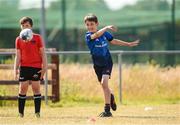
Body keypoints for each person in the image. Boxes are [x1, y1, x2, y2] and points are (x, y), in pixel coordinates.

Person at [84, 13, 139, 117]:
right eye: (87, 24)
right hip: (97, 64)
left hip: (107, 62)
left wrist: (127, 44)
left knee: (104, 83)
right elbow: (96, 35)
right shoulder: (88, 36)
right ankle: (111, 96)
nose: (90, 26)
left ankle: (107, 110)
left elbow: (113, 41)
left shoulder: (104, 34)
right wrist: (106, 27)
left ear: (97, 24)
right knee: (104, 86)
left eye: (92, 24)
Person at [14, 16, 47, 118]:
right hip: (24, 67)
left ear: (31, 27)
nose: (24, 28)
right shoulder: (18, 39)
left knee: (36, 88)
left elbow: (43, 53)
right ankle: (21, 113)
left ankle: (37, 113)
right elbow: (18, 55)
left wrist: (44, 67)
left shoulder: (37, 37)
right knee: (22, 88)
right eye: (23, 26)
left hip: (36, 66)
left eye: (27, 25)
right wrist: (15, 68)